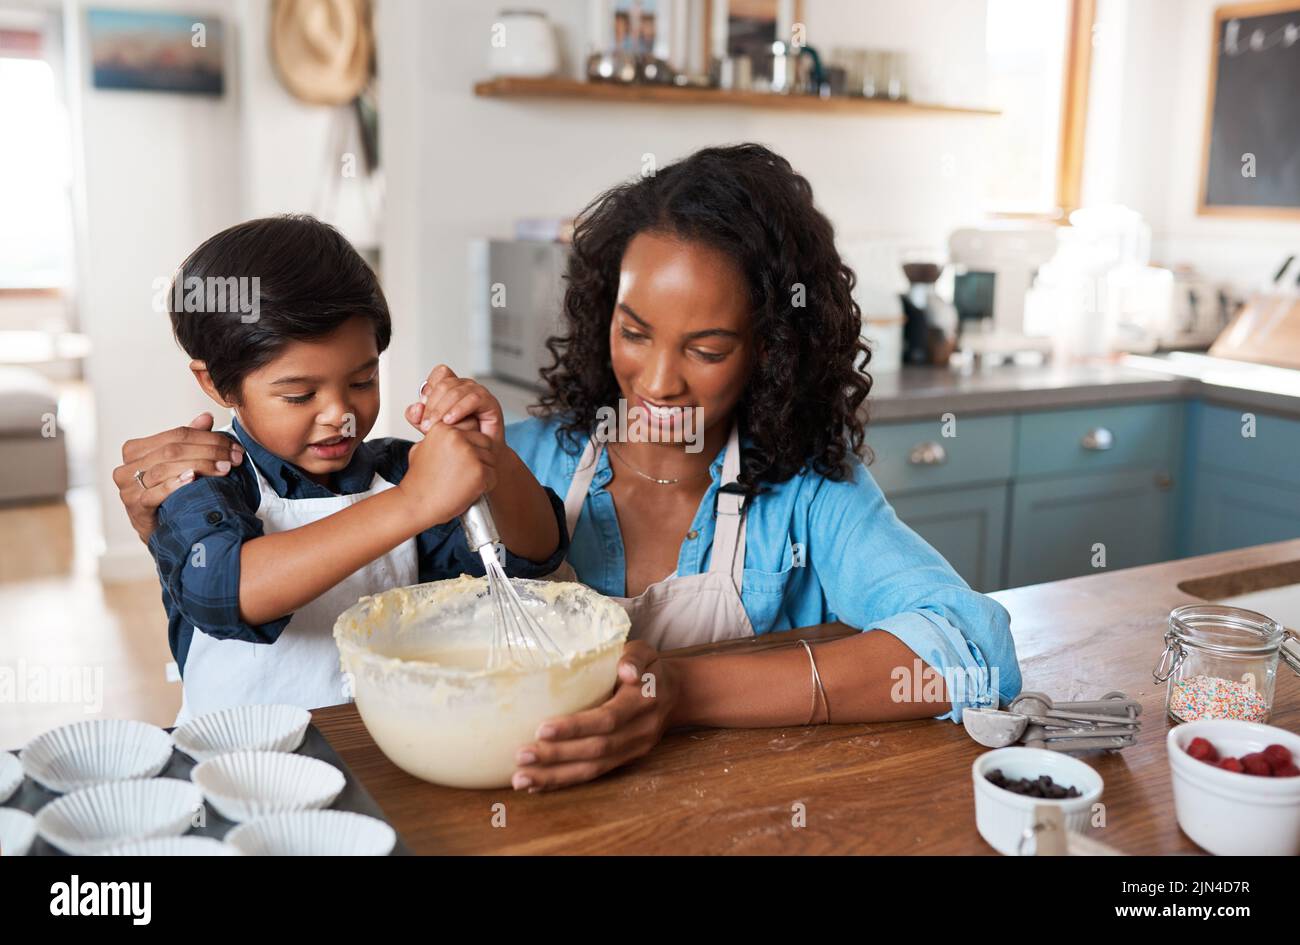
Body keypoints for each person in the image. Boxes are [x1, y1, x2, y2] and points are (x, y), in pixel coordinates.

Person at [139, 214, 566, 724]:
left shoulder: (398, 469)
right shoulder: (204, 479)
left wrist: (490, 453)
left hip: (384, 748)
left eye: (362, 381)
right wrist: (411, 505)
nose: (339, 413)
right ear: (217, 386)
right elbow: (226, 592)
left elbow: (530, 554)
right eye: (300, 395)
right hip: (239, 764)